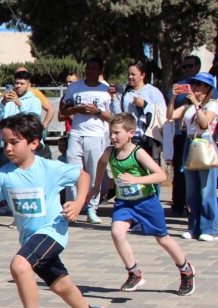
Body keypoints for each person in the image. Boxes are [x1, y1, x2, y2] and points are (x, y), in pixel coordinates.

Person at [0, 113, 104, 308]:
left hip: (52, 231)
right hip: (30, 239)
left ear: (33, 143)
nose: (8, 148)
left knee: (19, 265)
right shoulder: (3, 175)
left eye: (14, 142)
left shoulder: (50, 169)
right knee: (60, 285)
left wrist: (78, 204)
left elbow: (83, 176)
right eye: (4, 142)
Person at [87, 113, 195, 295]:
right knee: (116, 232)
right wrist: (97, 186)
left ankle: (186, 270)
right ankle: (134, 272)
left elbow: (162, 175)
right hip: (124, 203)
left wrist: (137, 180)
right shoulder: (109, 152)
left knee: (162, 238)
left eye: (116, 133)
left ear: (130, 133)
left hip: (146, 202)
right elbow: (100, 163)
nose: (112, 137)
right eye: (110, 133)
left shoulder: (138, 152)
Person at [59, 58, 112, 224]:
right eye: (88, 68)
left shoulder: (106, 90)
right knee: (72, 172)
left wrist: (97, 112)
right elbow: (63, 109)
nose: (90, 71)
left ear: (100, 71)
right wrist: (77, 109)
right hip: (76, 133)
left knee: (94, 173)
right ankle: (72, 208)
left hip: (96, 135)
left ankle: (91, 208)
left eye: (94, 68)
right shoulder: (75, 87)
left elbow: (113, 117)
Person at [170, 71, 218, 241]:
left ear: (207, 88)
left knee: (206, 189)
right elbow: (170, 116)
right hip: (189, 144)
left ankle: (209, 228)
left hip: (205, 144)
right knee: (191, 190)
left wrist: (197, 105)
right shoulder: (188, 105)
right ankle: (193, 227)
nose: (194, 87)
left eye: (198, 84)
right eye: (193, 84)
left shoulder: (213, 105)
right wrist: (174, 98)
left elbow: (205, 123)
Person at [110, 60, 167, 160]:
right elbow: (118, 115)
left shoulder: (153, 92)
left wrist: (145, 105)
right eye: (129, 74)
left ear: (142, 75)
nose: (130, 77)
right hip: (128, 137)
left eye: (133, 74)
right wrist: (114, 98)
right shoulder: (125, 93)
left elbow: (162, 113)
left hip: (147, 137)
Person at [168, 55, 203, 215]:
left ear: (197, 66)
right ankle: (178, 203)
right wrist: (176, 96)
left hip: (202, 136)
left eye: (189, 66)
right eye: (184, 67)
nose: (187, 70)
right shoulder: (179, 86)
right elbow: (170, 113)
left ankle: (201, 208)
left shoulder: (206, 85)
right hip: (181, 133)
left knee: (201, 171)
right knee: (181, 171)